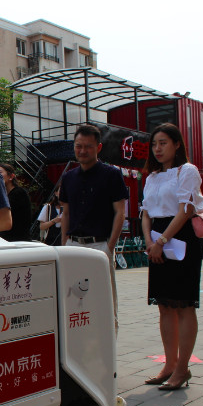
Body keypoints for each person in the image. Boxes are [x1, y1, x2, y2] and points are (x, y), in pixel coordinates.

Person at [141, 123, 203, 390]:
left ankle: (182, 368)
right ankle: (169, 364)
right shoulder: (152, 177)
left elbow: (185, 210)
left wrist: (162, 241)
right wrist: (149, 241)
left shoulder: (187, 171)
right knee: (164, 305)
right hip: (156, 238)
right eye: (154, 144)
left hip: (181, 238)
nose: (158, 148)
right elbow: (145, 212)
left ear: (177, 144)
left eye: (163, 143)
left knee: (184, 304)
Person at [60, 124, 128, 334]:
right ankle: (79, 344)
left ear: (98, 147)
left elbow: (120, 213)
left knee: (104, 301)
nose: (82, 151)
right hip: (73, 245)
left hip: (99, 245)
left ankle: (108, 347)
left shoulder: (112, 175)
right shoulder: (68, 177)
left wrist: (109, 248)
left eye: (88, 146)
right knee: (73, 301)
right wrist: (63, 245)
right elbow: (66, 214)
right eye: (78, 146)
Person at [0, 163, 31, 241]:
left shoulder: (19, 193)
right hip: (5, 239)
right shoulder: (2, 194)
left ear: (11, 176)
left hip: (18, 240)